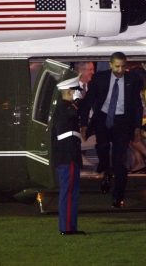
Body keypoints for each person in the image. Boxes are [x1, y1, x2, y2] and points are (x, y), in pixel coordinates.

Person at [80, 52, 143, 208]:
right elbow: (88, 101)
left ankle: (118, 196)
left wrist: (138, 126)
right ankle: (106, 170)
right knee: (102, 147)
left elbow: (136, 105)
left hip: (123, 122)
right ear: (110, 64)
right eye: (117, 66)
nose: (120, 70)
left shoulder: (132, 80)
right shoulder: (100, 78)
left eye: (123, 66)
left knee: (118, 159)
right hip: (103, 118)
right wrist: (84, 124)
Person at [51, 75, 86, 235]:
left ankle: (70, 227)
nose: (79, 93)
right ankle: (67, 228)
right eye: (77, 90)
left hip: (69, 155)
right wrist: (77, 102)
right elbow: (71, 115)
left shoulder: (65, 107)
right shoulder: (63, 108)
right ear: (69, 91)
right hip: (67, 155)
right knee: (69, 192)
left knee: (72, 192)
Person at [73, 61, 96, 167]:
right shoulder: (71, 88)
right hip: (77, 126)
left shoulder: (94, 85)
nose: (93, 72)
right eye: (90, 69)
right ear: (80, 71)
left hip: (94, 124)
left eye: (93, 69)